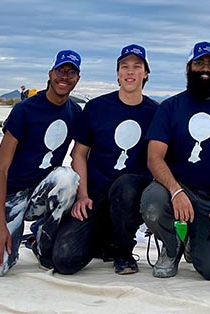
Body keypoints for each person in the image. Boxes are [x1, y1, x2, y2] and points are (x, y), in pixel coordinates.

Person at [141, 41, 210, 281]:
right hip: (173, 189)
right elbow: (154, 158)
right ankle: (171, 247)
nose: (205, 69)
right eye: (199, 63)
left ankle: (195, 242)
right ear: (188, 67)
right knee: (153, 203)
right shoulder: (170, 107)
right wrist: (176, 191)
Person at [52, 44, 158, 275]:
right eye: (124, 67)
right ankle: (102, 238)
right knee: (64, 261)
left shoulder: (156, 112)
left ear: (145, 73)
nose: (130, 72)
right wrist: (82, 196)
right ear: (118, 74)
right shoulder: (97, 108)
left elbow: (161, 158)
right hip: (96, 193)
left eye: (136, 67)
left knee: (126, 185)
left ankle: (123, 251)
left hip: (132, 194)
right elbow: (78, 154)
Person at [0, 50, 83, 276]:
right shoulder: (24, 111)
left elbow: (81, 155)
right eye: (60, 71)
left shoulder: (75, 112)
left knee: (68, 178)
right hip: (13, 194)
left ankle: (42, 242)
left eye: (71, 72)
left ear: (77, 79)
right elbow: (0, 170)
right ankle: (12, 235)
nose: (64, 77)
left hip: (42, 193)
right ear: (50, 73)